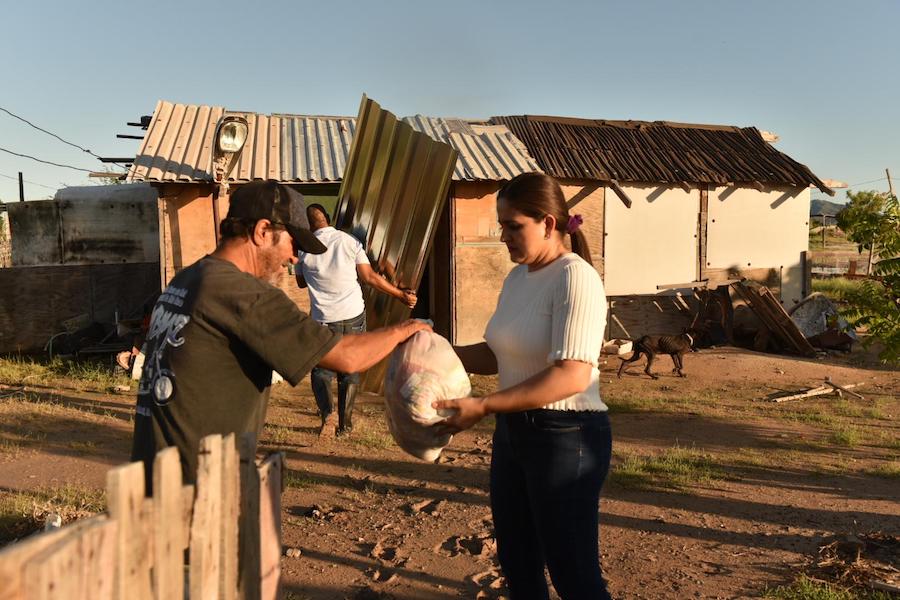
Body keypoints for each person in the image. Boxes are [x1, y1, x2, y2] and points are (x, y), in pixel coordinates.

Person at [131, 180, 430, 492]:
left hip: (155, 473)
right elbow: (348, 358)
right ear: (262, 231)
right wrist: (406, 328)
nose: (295, 258)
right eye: (293, 244)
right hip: (200, 484)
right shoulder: (245, 295)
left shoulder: (188, 279)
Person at [433, 172, 611, 600]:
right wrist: (433, 345)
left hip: (566, 439)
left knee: (574, 576)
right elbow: (500, 354)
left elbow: (572, 374)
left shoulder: (576, 278)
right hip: (515, 435)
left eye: (514, 226)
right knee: (519, 565)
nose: (504, 236)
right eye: (502, 226)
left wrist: (486, 405)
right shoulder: (518, 278)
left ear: (548, 224)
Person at [296, 203, 417, 438]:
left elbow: (301, 283)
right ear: (329, 219)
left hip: (323, 318)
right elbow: (369, 277)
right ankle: (345, 424)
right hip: (352, 315)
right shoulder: (349, 241)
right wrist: (400, 295)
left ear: (308, 225)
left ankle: (327, 414)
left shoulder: (303, 249)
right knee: (350, 368)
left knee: (321, 370)